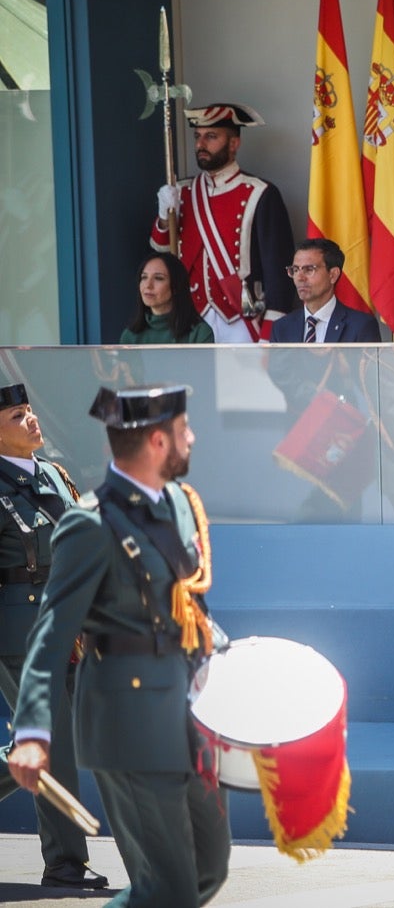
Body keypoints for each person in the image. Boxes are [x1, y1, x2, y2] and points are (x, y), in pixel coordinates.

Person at [8, 383, 232, 908]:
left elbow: (186, 602)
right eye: (183, 432)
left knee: (208, 867)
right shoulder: (89, 525)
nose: (192, 440)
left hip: (183, 707)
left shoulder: (178, 503)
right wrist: (34, 732)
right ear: (157, 442)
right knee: (169, 885)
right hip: (125, 716)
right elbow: (49, 634)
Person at [0, 384, 107, 890]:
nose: (32, 420)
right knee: (51, 740)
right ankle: (65, 862)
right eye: (18, 415)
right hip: (19, 633)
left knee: (50, 742)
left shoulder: (55, 476)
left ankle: (67, 861)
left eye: (30, 410)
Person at [150, 102, 295, 343]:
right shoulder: (183, 193)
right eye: (197, 137)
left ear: (234, 143)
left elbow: (279, 272)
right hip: (191, 320)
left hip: (242, 320)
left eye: (211, 137)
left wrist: (270, 335)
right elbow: (161, 256)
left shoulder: (260, 192)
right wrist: (165, 218)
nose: (200, 144)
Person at [268, 238, 382, 344]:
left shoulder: (361, 326)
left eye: (309, 269)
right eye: (295, 270)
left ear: (333, 275)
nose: (299, 277)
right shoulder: (281, 328)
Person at [121, 252, 215, 345]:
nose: (148, 285)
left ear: (176, 286)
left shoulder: (199, 333)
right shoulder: (129, 336)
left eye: (158, 278)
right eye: (144, 277)